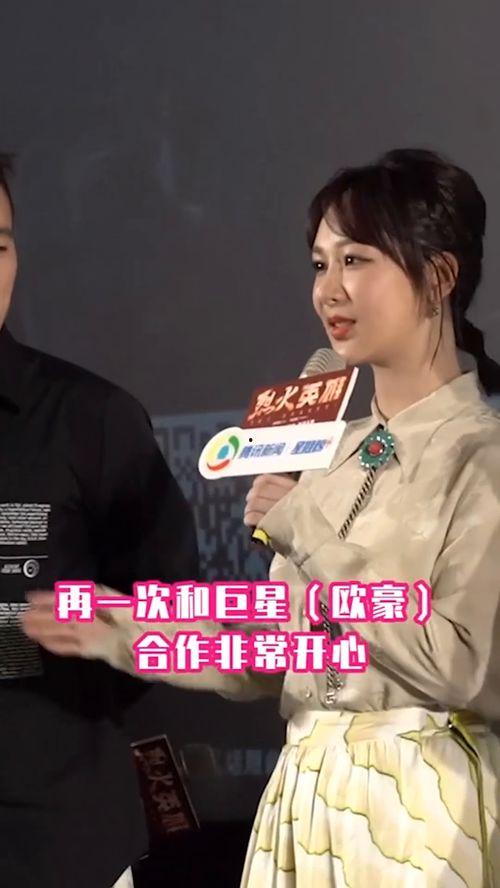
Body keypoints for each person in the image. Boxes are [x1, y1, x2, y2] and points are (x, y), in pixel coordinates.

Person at [25, 148, 500, 887]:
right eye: (320, 264)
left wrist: (308, 531)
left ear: (438, 276)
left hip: (424, 807)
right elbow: (277, 650)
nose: (329, 289)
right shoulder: (328, 457)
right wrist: (124, 630)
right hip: (306, 800)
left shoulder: (482, 455)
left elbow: (459, 661)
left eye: (356, 260)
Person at [0, 153, 199, 888]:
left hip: (58, 839)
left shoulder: (91, 420)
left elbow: (170, 603)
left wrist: (79, 669)